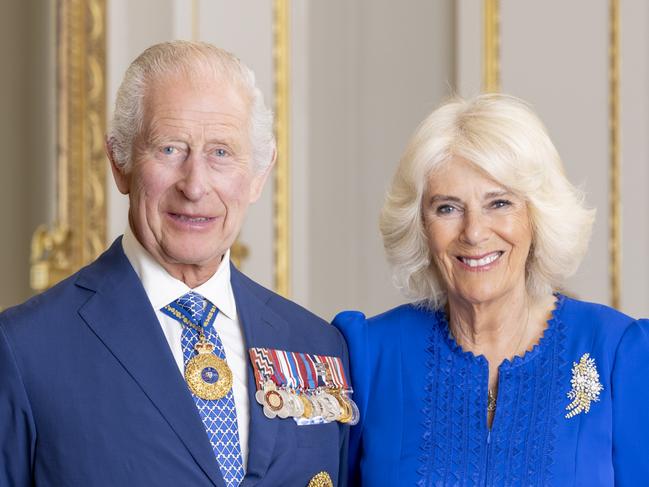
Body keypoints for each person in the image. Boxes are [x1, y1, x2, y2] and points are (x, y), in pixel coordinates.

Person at [0, 41, 349, 487]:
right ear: (119, 162)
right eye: (169, 149)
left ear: (259, 174)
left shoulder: (319, 345)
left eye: (221, 152)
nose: (195, 184)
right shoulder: (27, 349)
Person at [333, 94, 649, 486]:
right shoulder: (367, 355)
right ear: (420, 226)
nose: (475, 232)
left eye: (499, 203)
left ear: (537, 216)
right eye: (447, 208)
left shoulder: (618, 352)